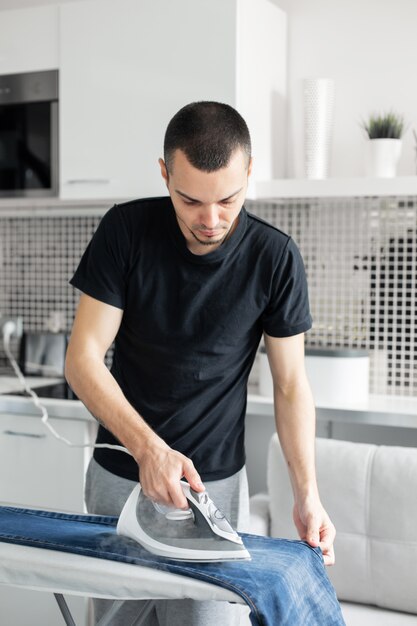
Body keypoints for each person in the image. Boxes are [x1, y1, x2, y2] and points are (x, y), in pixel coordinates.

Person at [65, 101, 336, 626]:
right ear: (164, 173)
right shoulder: (125, 231)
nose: (210, 220)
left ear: (249, 172)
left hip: (215, 488)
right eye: (190, 200)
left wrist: (307, 496)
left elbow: (290, 386)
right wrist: (149, 451)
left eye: (227, 200)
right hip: (120, 476)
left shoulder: (274, 258)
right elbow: (83, 359)